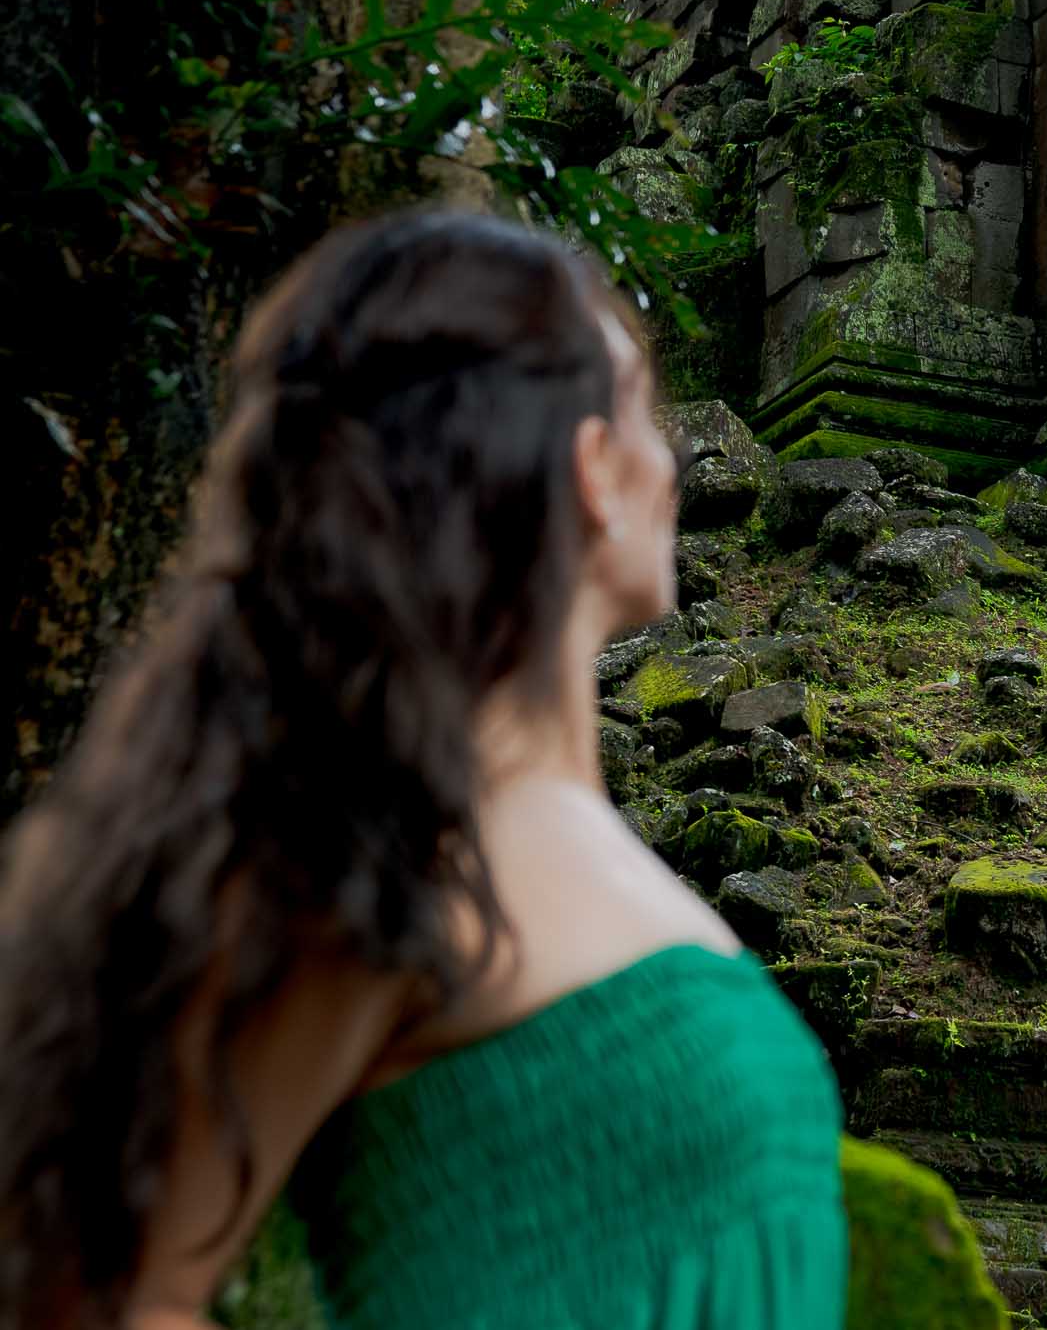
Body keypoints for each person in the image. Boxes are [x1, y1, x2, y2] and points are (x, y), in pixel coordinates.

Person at [0, 208, 847, 1329]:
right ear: (592, 466)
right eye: (646, 406)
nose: (675, 454)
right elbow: (100, 1296)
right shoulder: (384, 837)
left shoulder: (567, 836)